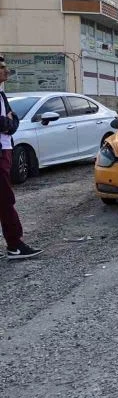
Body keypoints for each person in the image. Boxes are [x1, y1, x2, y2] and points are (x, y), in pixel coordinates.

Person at [0, 57, 41, 260]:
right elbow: (5, 122)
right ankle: (15, 245)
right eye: (1, 68)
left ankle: (15, 244)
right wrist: (7, 121)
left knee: (5, 200)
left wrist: (9, 121)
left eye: (5, 67)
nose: (6, 71)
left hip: (6, 149)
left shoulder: (1, 95)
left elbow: (13, 122)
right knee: (6, 200)